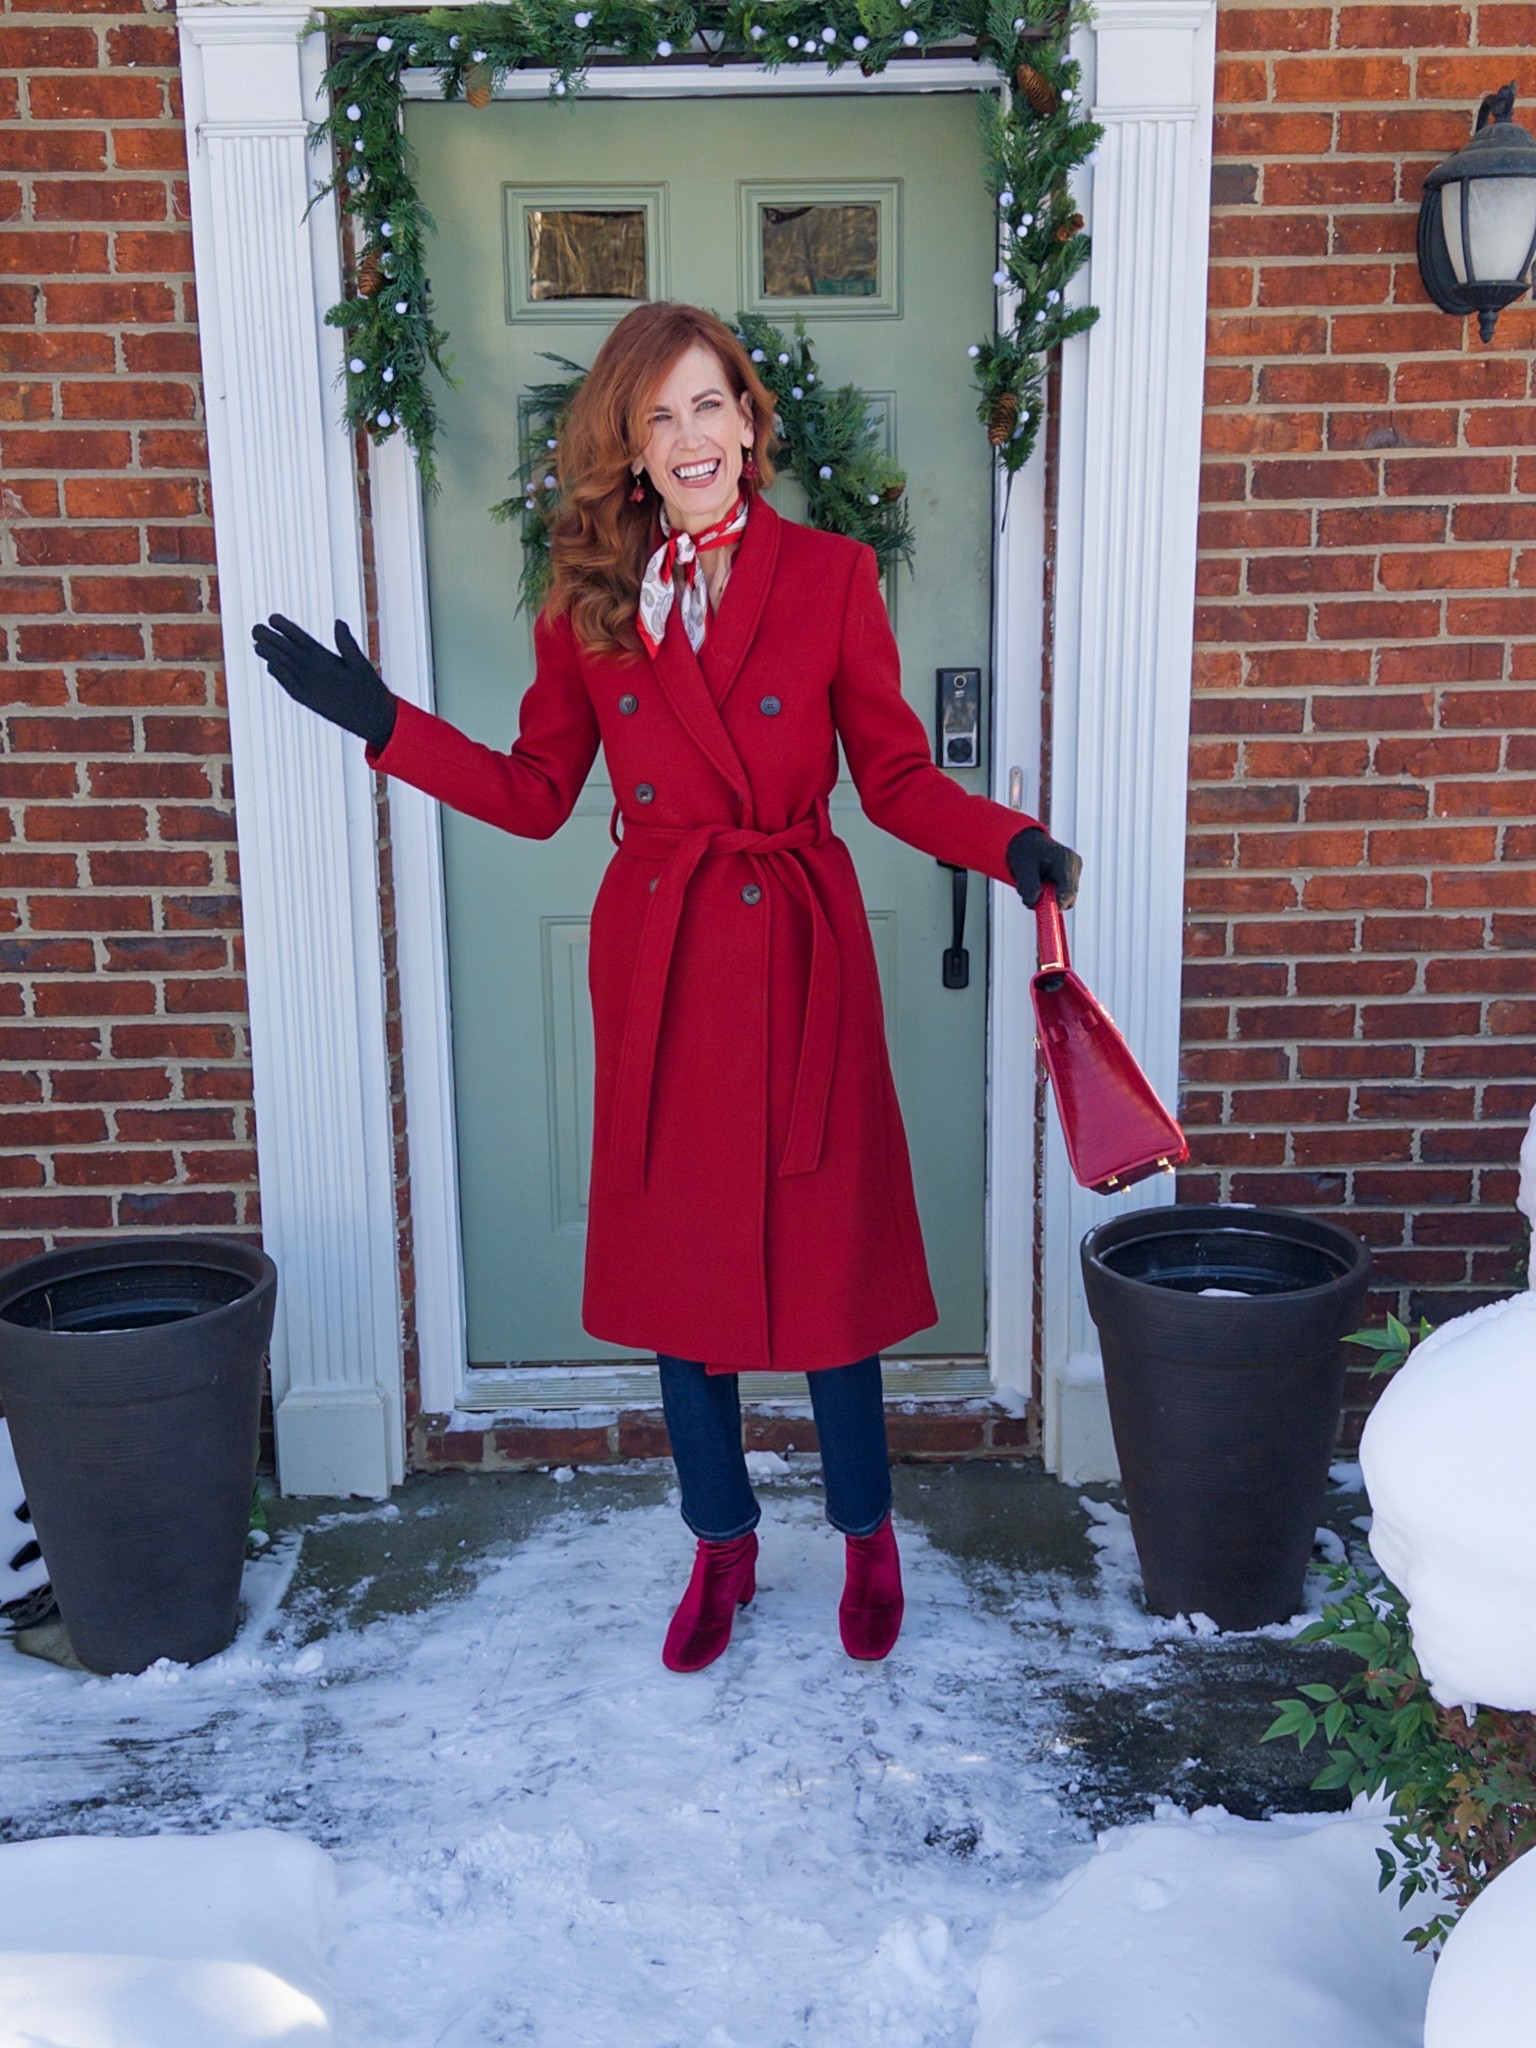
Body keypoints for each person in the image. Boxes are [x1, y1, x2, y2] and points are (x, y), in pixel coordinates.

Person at [253, 301, 1080, 1676]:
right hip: (667, 958)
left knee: (824, 1270)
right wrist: (387, 725)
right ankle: (723, 1544)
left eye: (711, 406)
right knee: (683, 1276)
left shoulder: (829, 577)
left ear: (750, 425)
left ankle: (869, 1536)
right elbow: (531, 798)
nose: (690, 436)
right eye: (658, 418)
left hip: (802, 951)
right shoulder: (589, 603)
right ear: (630, 454)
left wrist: (1011, 847)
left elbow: (893, 781)